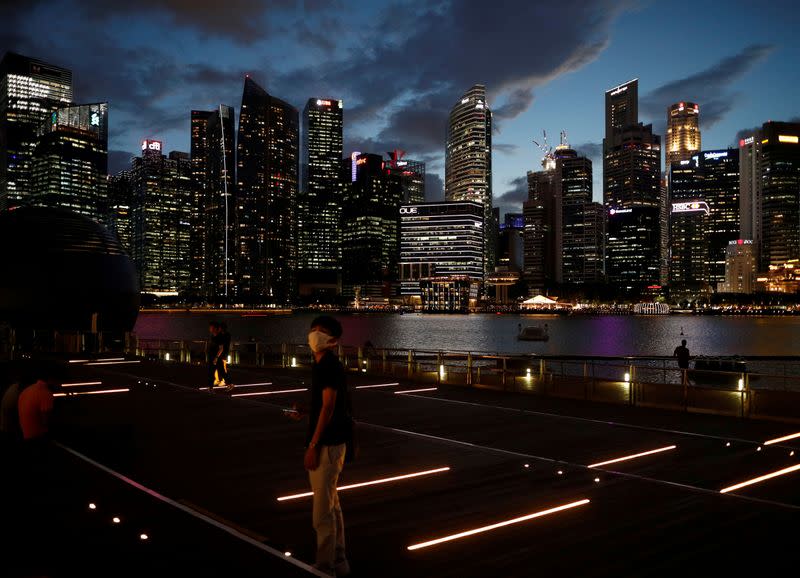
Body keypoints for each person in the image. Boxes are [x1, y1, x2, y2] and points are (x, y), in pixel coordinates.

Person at [289, 315, 351, 576]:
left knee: (321, 513)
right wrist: (306, 410)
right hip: (333, 442)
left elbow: (329, 406)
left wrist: (313, 445)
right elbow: (324, 405)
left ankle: (325, 566)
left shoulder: (328, 366)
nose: (314, 334)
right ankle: (338, 559)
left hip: (327, 444)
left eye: (321, 331)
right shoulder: (324, 364)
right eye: (313, 329)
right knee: (331, 503)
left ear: (333, 341)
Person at [207, 321, 230, 391]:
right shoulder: (218, 336)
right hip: (218, 355)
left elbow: (222, 347)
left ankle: (224, 382)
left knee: (221, 370)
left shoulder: (222, 336)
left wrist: (217, 357)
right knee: (219, 370)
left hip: (220, 355)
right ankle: (220, 382)